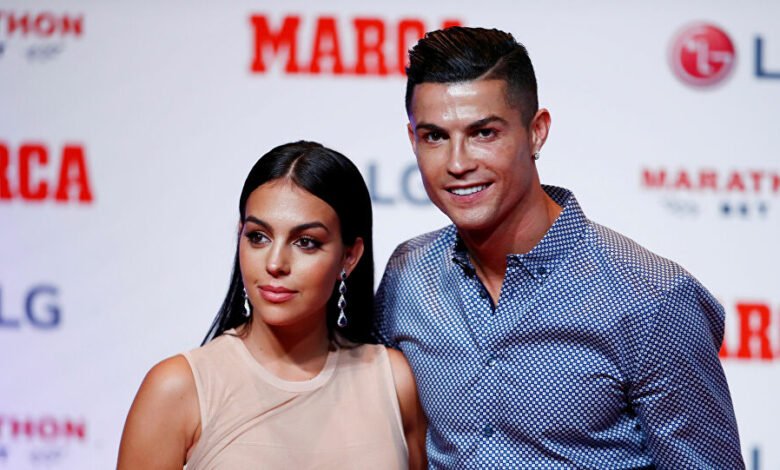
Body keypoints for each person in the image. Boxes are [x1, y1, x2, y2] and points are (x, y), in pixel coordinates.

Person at [374, 27, 744, 468]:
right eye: (435, 136)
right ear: (412, 140)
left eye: (483, 133)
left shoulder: (652, 299)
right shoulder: (409, 274)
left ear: (537, 132)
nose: (457, 163)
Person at [118, 141, 426, 469]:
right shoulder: (178, 388)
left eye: (305, 242)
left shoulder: (394, 381)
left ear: (349, 256)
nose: (275, 263)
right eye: (258, 237)